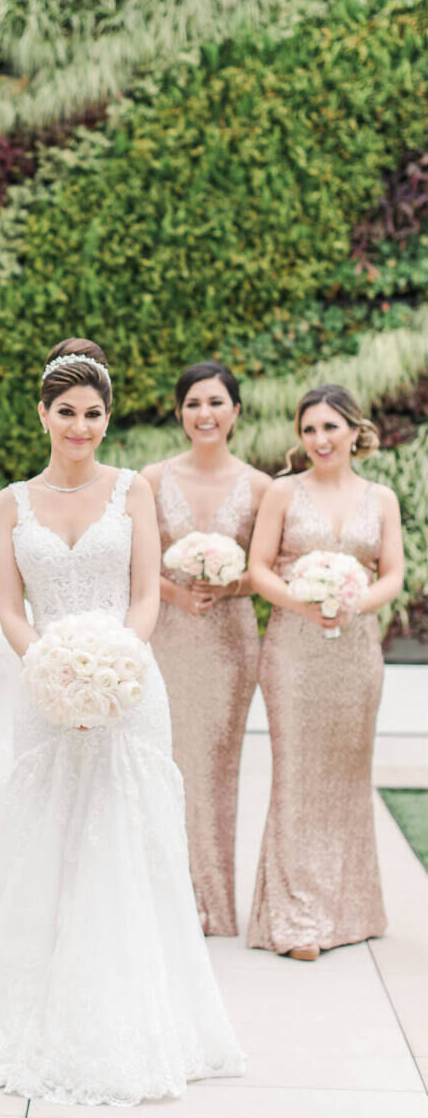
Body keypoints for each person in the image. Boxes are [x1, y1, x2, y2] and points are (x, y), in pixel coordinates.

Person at [0, 338, 245, 1105]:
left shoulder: (133, 490)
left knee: (128, 837)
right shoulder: (12, 501)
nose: (80, 426)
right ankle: (36, 1003)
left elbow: (145, 596)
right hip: (44, 683)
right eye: (66, 412)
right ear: (42, 414)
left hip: (129, 685)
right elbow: (6, 604)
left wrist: (114, 670)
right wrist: (51, 670)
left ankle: (136, 1011)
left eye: (94, 413)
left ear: (108, 417)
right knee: (49, 836)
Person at [247, 384, 404, 960]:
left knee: (345, 776)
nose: (318, 440)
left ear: (354, 431)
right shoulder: (283, 493)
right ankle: (295, 918)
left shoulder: (381, 497)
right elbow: (258, 569)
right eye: (308, 429)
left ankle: (351, 910)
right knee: (296, 775)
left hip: (356, 651)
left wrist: (355, 599)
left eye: (329, 428)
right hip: (293, 649)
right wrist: (300, 601)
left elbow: (392, 574)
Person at [142, 362, 270, 935]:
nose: (205, 414)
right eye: (194, 403)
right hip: (167, 635)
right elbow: (134, 563)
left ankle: (214, 905)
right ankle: (165, 901)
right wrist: (173, 591)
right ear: (179, 413)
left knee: (217, 769)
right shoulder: (150, 480)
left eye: (217, 402)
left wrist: (229, 584)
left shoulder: (261, 486)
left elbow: (267, 570)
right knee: (164, 765)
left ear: (236, 412)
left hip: (229, 643)